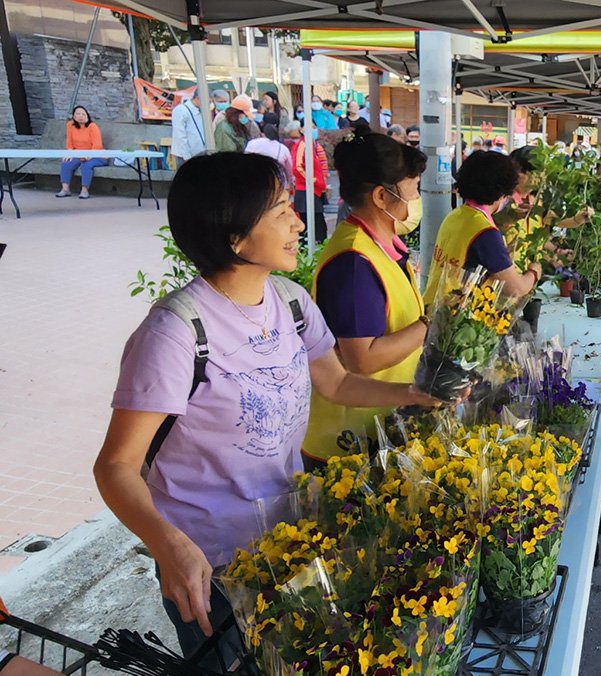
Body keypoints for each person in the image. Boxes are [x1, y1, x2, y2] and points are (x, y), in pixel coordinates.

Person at [93, 152, 442, 667]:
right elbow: (116, 467)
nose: (299, 220)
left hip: (288, 543)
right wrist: (168, 545)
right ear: (234, 237)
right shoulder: (175, 333)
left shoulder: (291, 301)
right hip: (209, 565)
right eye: (281, 210)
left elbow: (339, 383)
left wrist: (411, 395)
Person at [303, 134, 429, 462]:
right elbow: (363, 359)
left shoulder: (381, 246)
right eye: (413, 189)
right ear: (381, 196)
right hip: (348, 442)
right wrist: (430, 323)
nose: (417, 199)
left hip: (383, 419)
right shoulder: (354, 262)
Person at [424, 151, 540, 304]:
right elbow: (515, 289)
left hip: (433, 305)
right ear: (502, 192)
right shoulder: (485, 232)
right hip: (454, 317)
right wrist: (534, 272)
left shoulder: (455, 216)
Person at [56, 106, 107, 199]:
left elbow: (97, 145)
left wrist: (88, 156)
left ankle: (84, 190)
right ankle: (65, 189)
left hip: (96, 154)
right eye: (78, 114)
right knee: (66, 162)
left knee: (86, 165)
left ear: (87, 116)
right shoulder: (70, 125)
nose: (80, 116)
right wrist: (70, 153)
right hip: (78, 153)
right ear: (74, 116)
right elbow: (69, 143)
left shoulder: (92, 126)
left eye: (83, 114)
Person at [292, 129, 330, 243]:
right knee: (310, 229)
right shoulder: (302, 145)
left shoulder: (312, 146)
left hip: (314, 190)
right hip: (306, 191)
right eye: (311, 127)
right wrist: (312, 180)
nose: (313, 130)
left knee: (319, 228)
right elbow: (297, 168)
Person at [171, 90, 206, 164]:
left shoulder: (200, 111)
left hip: (199, 153)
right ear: (198, 98)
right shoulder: (181, 110)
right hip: (186, 156)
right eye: (208, 101)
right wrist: (187, 157)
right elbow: (180, 135)